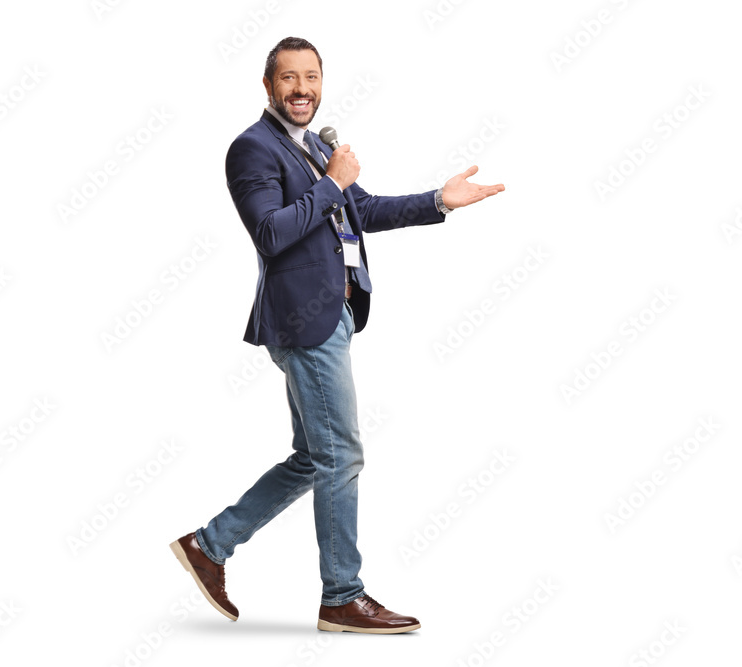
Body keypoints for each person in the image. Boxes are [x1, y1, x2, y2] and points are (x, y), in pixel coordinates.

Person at [170, 36, 504, 634]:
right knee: (342, 455)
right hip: (304, 320)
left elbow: (362, 211)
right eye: (289, 78)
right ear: (268, 86)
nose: (302, 89)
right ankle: (342, 597)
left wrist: (440, 201)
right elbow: (270, 233)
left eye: (311, 77)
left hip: (337, 315)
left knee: (314, 457)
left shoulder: (316, 147)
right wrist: (332, 182)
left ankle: (209, 545)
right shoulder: (252, 148)